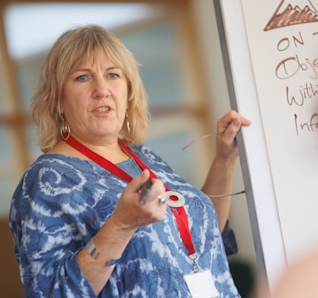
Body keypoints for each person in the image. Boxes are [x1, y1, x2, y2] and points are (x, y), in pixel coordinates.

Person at [9, 25, 251, 297]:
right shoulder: (45, 180)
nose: (102, 89)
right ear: (57, 101)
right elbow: (54, 292)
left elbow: (205, 241)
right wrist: (121, 225)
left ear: (128, 91)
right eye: (82, 77)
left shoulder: (144, 157)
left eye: (112, 75)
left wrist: (226, 157)